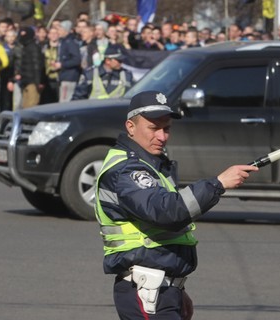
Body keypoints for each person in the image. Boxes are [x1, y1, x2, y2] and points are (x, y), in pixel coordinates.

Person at [94, 90, 258, 319]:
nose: (162, 136)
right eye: (153, 128)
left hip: (160, 289)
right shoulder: (127, 170)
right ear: (130, 127)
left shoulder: (150, 165)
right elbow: (168, 212)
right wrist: (218, 184)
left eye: (167, 128)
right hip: (147, 290)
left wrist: (177, 289)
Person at [13, 26, 45, 109]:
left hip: (33, 83)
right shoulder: (26, 47)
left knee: (31, 106)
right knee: (25, 105)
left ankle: (31, 122)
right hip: (26, 81)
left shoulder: (33, 48)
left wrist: (38, 82)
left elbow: (37, 66)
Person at [54, 20, 82, 102]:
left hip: (69, 78)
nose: (58, 32)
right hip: (63, 76)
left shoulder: (70, 42)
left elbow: (76, 59)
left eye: (60, 29)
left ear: (65, 30)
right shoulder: (63, 41)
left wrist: (62, 64)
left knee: (65, 101)